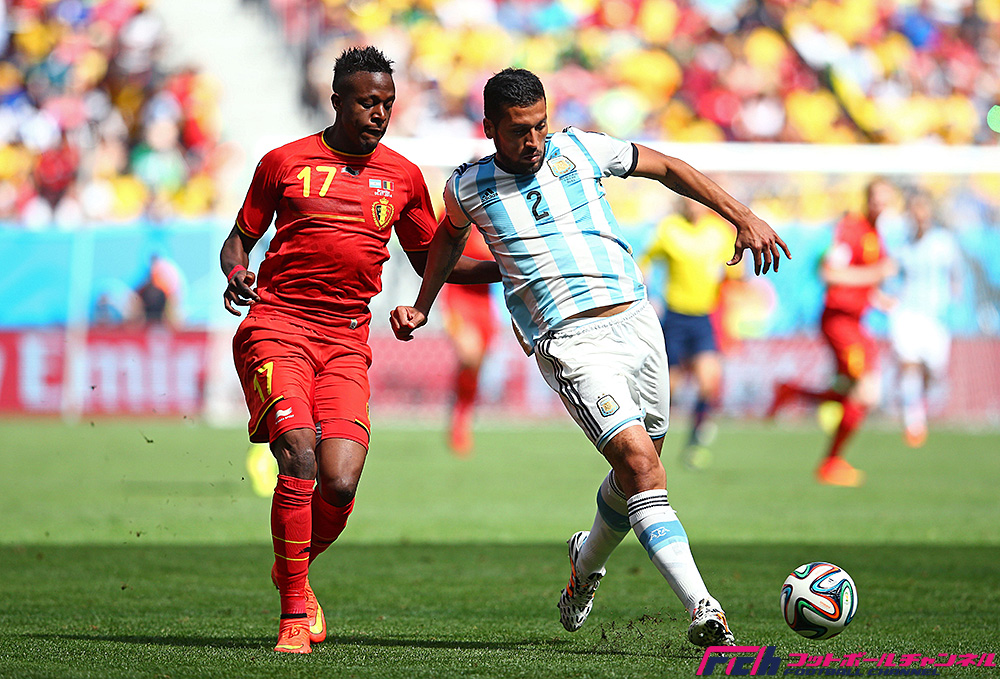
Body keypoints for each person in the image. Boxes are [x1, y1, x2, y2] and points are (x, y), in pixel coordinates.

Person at [390, 68, 789, 647]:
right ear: (490, 128)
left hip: (638, 322)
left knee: (638, 474)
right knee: (641, 467)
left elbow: (668, 168)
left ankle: (585, 562)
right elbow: (447, 241)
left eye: (540, 125)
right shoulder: (467, 187)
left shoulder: (580, 148)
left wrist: (743, 216)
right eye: (519, 130)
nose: (533, 140)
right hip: (569, 342)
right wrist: (423, 305)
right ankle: (704, 609)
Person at [220, 46, 499, 654]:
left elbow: (435, 262)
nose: (379, 113)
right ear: (337, 100)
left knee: (340, 481)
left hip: (347, 341)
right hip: (278, 325)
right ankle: (294, 613)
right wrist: (237, 272)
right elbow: (237, 240)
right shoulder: (283, 162)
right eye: (368, 102)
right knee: (298, 451)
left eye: (388, 104)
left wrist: (510, 266)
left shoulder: (404, 177)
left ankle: (291, 570)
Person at [767, 178, 897, 487]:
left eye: (886, 199)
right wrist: (874, 274)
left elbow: (863, 280)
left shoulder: (875, 233)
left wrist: (879, 298)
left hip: (856, 323)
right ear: (867, 199)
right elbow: (829, 273)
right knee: (865, 391)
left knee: (859, 391)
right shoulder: (851, 229)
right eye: (876, 198)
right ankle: (831, 462)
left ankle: (792, 393)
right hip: (840, 322)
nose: (880, 204)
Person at [641, 198, 738, 469]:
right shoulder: (669, 229)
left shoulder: (719, 232)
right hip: (675, 316)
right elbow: (644, 261)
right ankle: (646, 443)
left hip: (704, 316)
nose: (693, 205)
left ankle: (696, 440)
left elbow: (733, 272)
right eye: (688, 200)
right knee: (668, 388)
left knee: (709, 380)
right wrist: (645, 294)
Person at [888, 189, 962, 447]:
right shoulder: (902, 245)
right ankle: (914, 423)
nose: (918, 214)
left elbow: (956, 276)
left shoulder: (944, 242)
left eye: (922, 208)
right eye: (914, 209)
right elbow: (892, 276)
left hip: (935, 315)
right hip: (907, 313)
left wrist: (952, 303)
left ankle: (919, 407)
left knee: (933, 369)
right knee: (909, 363)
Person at [440, 220, 498, 456]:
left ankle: (462, 411)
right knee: (469, 354)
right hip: (458, 298)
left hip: (484, 303)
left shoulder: (494, 215)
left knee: (476, 367)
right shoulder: (457, 211)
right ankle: (459, 416)